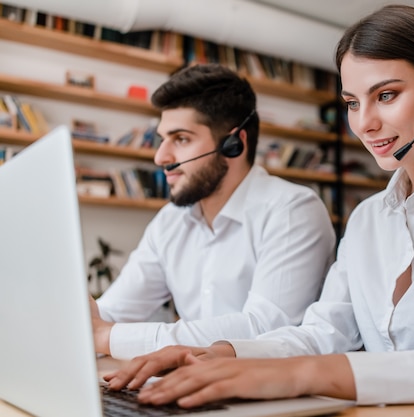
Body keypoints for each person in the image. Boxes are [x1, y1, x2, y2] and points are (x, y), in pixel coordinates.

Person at [103, 6, 414, 417]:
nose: (365, 123)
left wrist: (304, 376)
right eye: (352, 103)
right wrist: (218, 353)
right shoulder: (370, 218)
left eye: (386, 95)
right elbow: (322, 333)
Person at [90, 63, 337, 360]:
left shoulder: (292, 211)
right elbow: (111, 313)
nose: (160, 157)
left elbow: (266, 330)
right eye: (162, 139)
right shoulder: (170, 221)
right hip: (192, 388)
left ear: (234, 144)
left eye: (180, 139)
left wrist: (110, 337)